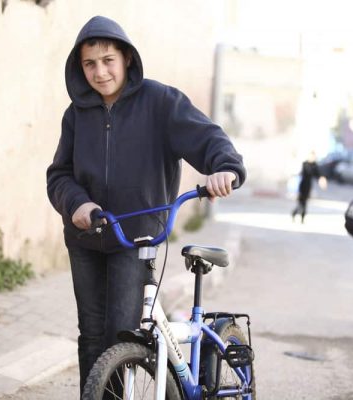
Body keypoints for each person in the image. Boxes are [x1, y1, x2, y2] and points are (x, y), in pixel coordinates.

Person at [46, 16, 246, 394]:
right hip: (86, 236)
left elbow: (208, 138)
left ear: (125, 59)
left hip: (136, 238)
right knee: (91, 337)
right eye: (90, 63)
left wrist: (225, 168)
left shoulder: (160, 102)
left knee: (121, 336)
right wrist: (77, 204)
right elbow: (59, 175)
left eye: (108, 60)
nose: (100, 72)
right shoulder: (76, 115)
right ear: (79, 66)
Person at [291, 151, 327, 223]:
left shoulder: (315, 165)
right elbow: (304, 172)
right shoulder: (305, 163)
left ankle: (302, 217)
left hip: (308, 186)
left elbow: (318, 175)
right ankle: (295, 213)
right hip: (302, 185)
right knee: (301, 203)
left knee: (304, 203)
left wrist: (322, 180)